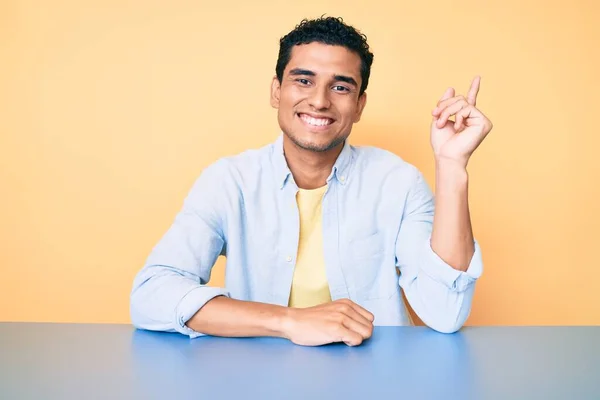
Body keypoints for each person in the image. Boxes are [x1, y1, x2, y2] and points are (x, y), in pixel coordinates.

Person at [130, 16, 493, 346]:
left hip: (375, 379)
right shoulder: (230, 181)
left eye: (341, 87)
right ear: (276, 91)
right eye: (303, 80)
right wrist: (288, 321)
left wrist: (451, 165)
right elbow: (151, 294)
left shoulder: (398, 183)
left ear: (360, 104)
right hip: (254, 378)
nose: (319, 101)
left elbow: (446, 313)